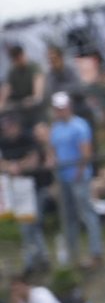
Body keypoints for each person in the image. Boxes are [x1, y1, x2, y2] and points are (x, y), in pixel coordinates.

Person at [49, 91, 104, 268]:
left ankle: (96, 252)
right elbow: (53, 150)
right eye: (57, 109)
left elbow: (85, 152)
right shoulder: (55, 128)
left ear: (69, 107)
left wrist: (79, 173)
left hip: (78, 177)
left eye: (62, 108)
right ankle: (73, 254)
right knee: (68, 216)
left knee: (86, 213)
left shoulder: (80, 125)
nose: (60, 111)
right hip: (63, 178)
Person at [0, 114, 51, 273]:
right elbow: (2, 164)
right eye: (5, 128)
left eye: (10, 126)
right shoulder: (4, 142)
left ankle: (40, 258)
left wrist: (17, 166)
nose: (8, 130)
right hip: (19, 189)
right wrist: (11, 167)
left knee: (33, 224)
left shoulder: (28, 138)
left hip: (36, 186)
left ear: (17, 125)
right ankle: (34, 260)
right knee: (25, 225)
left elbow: (33, 161)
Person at [0, 44, 45, 128]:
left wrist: (33, 99)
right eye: (15, 59)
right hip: (19, 108)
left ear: (23, 54)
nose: (18, 60)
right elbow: (6, 88)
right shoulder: (13, 71)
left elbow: (38, 95)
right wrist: (2, 104)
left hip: (37, 110)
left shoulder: (34, 67)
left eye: (19, 57)